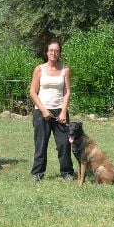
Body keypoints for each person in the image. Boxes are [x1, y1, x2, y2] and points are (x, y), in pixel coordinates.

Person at [28, 40, 73, 182]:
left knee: (64, 144)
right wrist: (44, 110)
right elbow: (32, 92)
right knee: (41, 144)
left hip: (60, 111)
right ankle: (37, 173)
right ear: (47, 52)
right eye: (51, 50)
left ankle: (67, 173)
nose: (54, 52)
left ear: (60, 52)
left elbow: (67, 92)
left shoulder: (65, 70)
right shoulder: (39, 69)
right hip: (41, 112)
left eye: (57, 50)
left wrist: (64, 111)